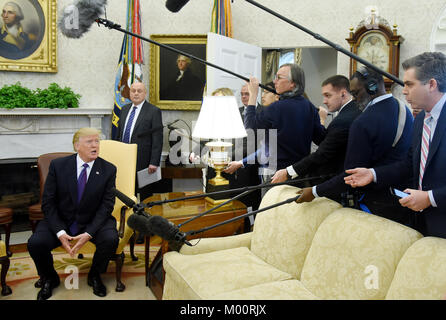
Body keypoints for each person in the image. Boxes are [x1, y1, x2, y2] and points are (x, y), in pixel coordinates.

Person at [344, 52, 446, 238]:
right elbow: (409, 164)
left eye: (409, 84)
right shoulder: (422, 117)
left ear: (431, 84)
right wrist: (373, 174)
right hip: (422, 222)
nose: (404, 90)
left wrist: (430, 198)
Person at [296, 66, 414, 225]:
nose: (355, 98)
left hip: (374, 206)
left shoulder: (363, 122)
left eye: (357, 93)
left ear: (372, 87)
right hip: (404, 200)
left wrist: (314, 191)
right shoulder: (404, 108)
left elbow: (350, 175)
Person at [27, 128, 118, 300]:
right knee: (35, 243)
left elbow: (107, 206)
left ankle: (95, 275)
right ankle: (49, 278)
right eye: (89, 142)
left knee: (110, 239)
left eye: (97, 141)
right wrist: (60, 232)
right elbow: (48, 202)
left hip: (93, 220)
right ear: (77, 146)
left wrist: (89, 232)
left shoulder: (108, 169)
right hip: (62, 219)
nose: (95, 145)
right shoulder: (58, 166)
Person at [270, 75, 362, 186]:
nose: (324, 101)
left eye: (328, 96)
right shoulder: (353, 111)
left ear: (343, 93)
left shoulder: (343, 120)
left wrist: (288, 172)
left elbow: (323, 153)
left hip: (335, 181)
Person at [244, 63, 327, 176]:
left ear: (292, 83)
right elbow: (320, 139)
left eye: (279, 78)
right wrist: (322, 121)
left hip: (276, 172)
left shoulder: (276, 108)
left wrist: (253, 95)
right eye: (275, 77)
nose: (275, 81)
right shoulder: (309, 107)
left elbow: (250, 129)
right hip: (299, 171)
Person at [114, 82, 163, 202]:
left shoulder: (153, 111)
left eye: (139, 91)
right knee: (127, 193)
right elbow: (118, 134)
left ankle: (147, 219)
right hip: (124, 160)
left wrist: (154, 162)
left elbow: (157, 138)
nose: (136, 93)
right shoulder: (124, 109)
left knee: (146, 197)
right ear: (129, 93)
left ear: (145, 93)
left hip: (144, 162)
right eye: (133, 91)